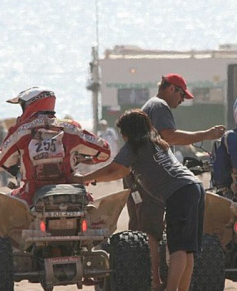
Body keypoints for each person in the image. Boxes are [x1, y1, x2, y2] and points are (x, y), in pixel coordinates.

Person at [72, 109, 205, 291]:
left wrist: (83, 179)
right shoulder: (156, 142)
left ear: (128, 132)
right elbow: (122, 172)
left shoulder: (133, 146)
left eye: (122, 133)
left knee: (178, 248)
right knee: (188, 249)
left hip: (179, 192)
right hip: (194, 186)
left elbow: (114, 168)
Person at [125, 73, 225, 290]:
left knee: (155, 233)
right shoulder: (159, 105)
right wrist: (206, 134)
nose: (182, 100)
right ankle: (155, 282)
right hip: (150, 179)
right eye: (182, 95)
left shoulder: (153, 106)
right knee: (152, 232)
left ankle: (157, 281)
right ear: (171, 89)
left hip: (152, 179)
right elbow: (169, 136)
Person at [0, 87, 111, 204]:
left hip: (31, 194)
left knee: (2, 204)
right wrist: (87, 160)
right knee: (90, 208)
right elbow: (105, 151)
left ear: (29, 105)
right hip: (72, 191)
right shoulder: (71, 128)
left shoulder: (20, 131)